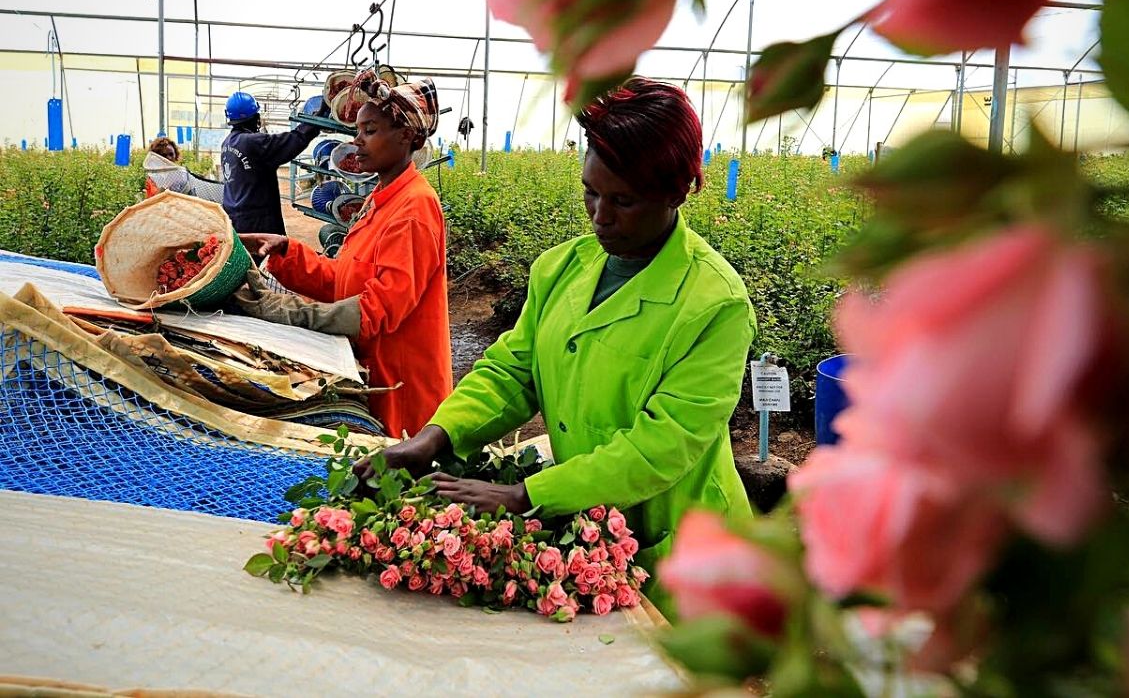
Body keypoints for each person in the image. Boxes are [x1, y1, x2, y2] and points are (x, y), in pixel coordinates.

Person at [357, 77, 756, 599]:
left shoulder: (714, 303)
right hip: (587, 521)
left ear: (677, 192)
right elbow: (511, 373)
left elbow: (663, 445)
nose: (600, 216)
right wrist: (436, 437)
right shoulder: (561, 269)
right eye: (591, 192)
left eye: (624, 200)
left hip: (685, 547)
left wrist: (525, 496)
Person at [239, 76, 452, 440]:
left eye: (369, 130)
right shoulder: (378, 200)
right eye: (357, 129)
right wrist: (286, 251)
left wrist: (290, 313)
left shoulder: (414, 208)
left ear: (406, 137)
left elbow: (377, 310)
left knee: (400, 486)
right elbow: (343, 279)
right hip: (374, 375)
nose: (357, 140)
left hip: (401, 392)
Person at [221, 91, 321, 234]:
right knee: (272, 254)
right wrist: (316, 120)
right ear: (255, 117)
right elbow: (295, 139)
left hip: (234, 218)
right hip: (257, 221)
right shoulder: (253, 142)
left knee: (246, 255)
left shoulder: (227, 142)